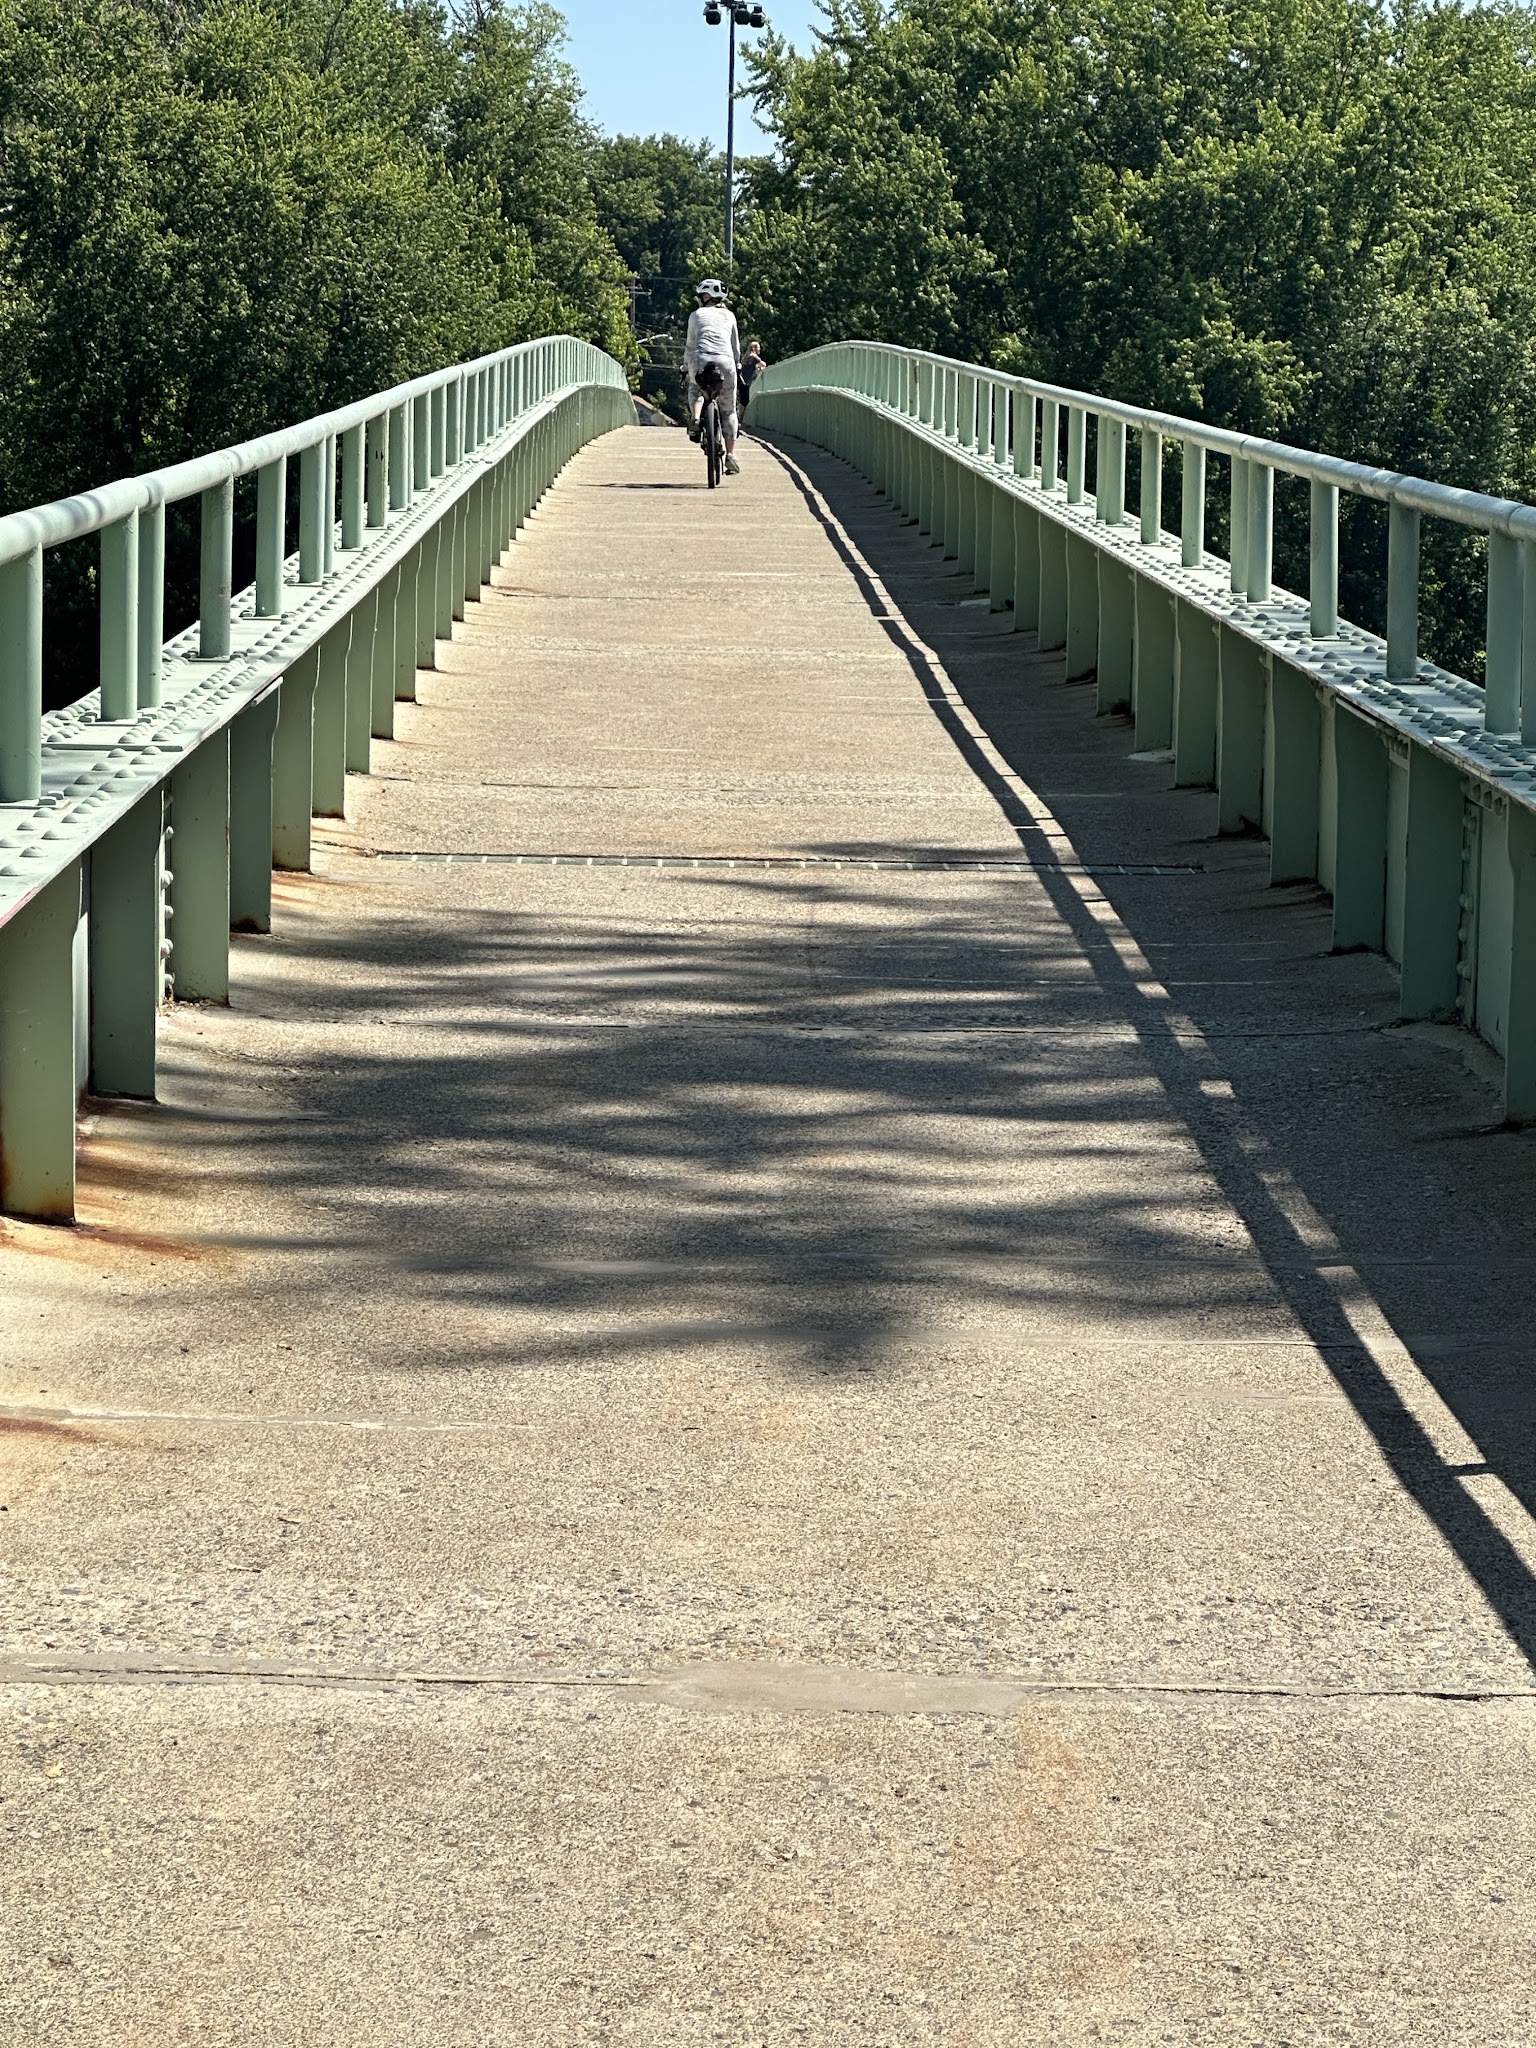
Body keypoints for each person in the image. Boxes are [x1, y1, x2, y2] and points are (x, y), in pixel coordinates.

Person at [683, 278, 742, 476]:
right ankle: (731, 456)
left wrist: (684, 367)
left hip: (701, 359)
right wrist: (737, 365)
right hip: (726, 362)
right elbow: (735, 347)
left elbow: (690, 346)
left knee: (695, 387)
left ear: (706, 297)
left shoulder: (696, 315)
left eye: (701, 296)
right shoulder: (730, 316)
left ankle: (697, 417)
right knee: (728, 411)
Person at [737, 338, 767, 420]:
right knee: (744, 402)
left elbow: (753, 366)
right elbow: (763, 364)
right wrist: (761, 368)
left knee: (742, 401)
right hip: (745, 382)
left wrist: (758, 368)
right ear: (753, 348)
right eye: (758, 347)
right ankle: (739, 419)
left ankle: (739, 419)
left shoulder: (747, 356)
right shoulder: (753, 356)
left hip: (742, 380)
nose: (759, 349)